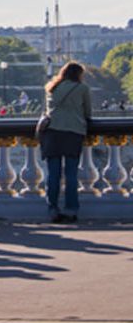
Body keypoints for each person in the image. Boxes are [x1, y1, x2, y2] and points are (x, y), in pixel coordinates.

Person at [40, 62, 91, 224]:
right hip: (73, 133)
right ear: (79, 75)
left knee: (53, 175)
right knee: (71, 174)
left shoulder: (51, 87)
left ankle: (52, 209)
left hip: (52, 133)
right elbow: (87, 112)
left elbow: (47, 111)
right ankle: (71, 210)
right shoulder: (82, 89)